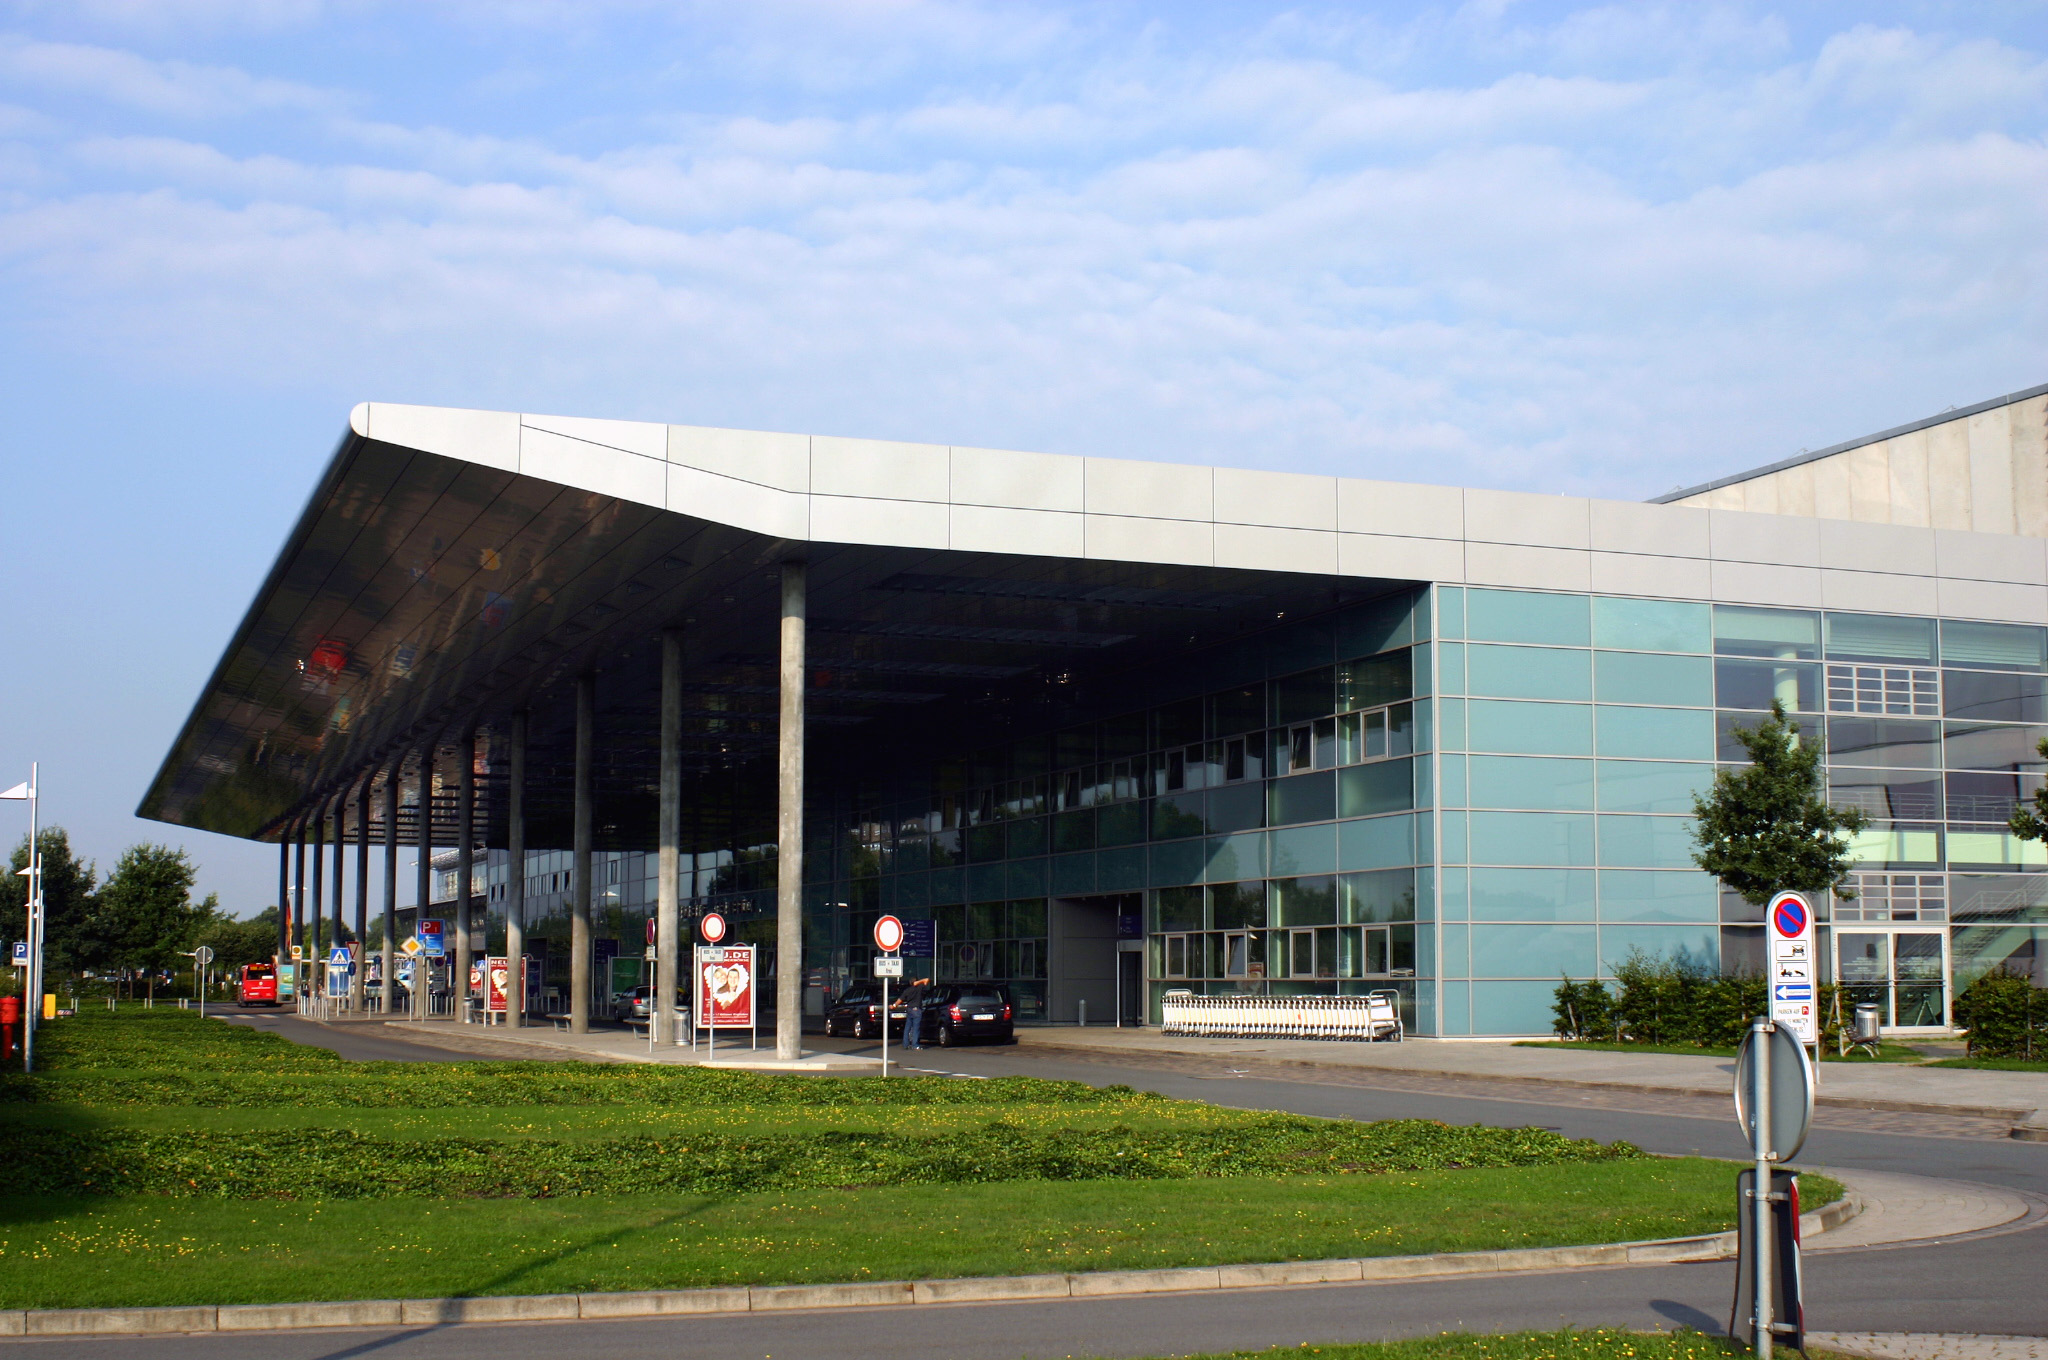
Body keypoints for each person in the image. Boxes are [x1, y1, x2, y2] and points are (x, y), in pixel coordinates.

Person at [902, 978, 932, 1049]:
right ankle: (915, 1044)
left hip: (909, 1009)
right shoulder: (920, 988)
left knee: (907, 1027)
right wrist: (918, 982)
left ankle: (905, 1044)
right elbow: (927, 979)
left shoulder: (907, 990)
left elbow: (901, 998)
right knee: (916, 1028)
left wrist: (894, 1005)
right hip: (916, 1010)